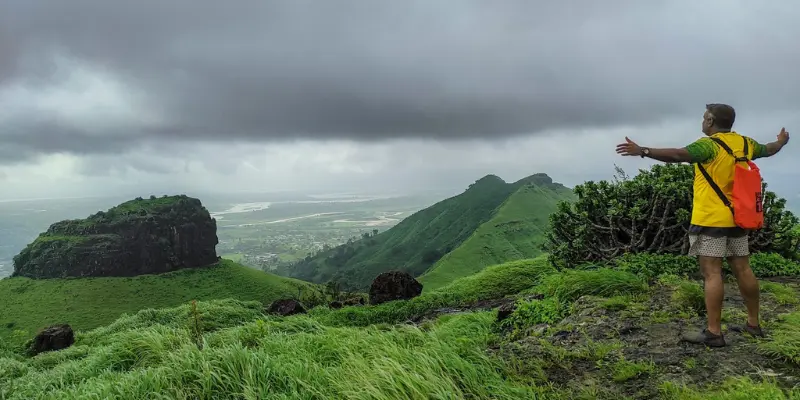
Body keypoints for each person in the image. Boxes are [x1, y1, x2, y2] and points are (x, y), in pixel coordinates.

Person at [615, 103, 790, 347]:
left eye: (704, 117)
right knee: (743, 269)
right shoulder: (745, 143)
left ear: (710, 120)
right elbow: (769, 149)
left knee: (712, 273)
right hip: (739, 217)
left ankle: (714, 333)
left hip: (710, 220)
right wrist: (781, 141)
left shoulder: (708, 146)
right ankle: (753, 325)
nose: (702, 121)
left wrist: (642, 150)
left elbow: (677, 155)